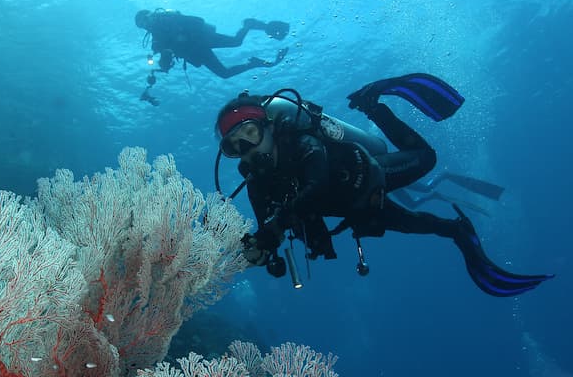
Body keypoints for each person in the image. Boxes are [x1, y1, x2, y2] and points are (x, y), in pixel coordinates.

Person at [214, 74, 553, 297]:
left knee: (425, 158)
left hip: (367, 173)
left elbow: (315, 188)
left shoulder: (303, 144)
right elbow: (266, 227)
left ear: (269, 127)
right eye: (236, 147)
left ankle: (373, 105)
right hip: (358, 207)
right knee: (422, 225)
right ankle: (458, 231)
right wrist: (260, 249)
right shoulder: (257, 181)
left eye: (252, 136)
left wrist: (274, 229)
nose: (249, 150)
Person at [136, 8, 289, 79]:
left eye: (145, 19)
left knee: (236, 42)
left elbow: (196, 21)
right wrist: (159, 68)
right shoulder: (156, 41)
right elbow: (164, 60)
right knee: (224, 74)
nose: (146, 24)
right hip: (198, 53)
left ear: (150, 15)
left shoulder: (168, 19)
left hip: (202, 39)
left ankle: (249, 25)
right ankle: (255, 63)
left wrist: (182, 36)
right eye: (142, 25)